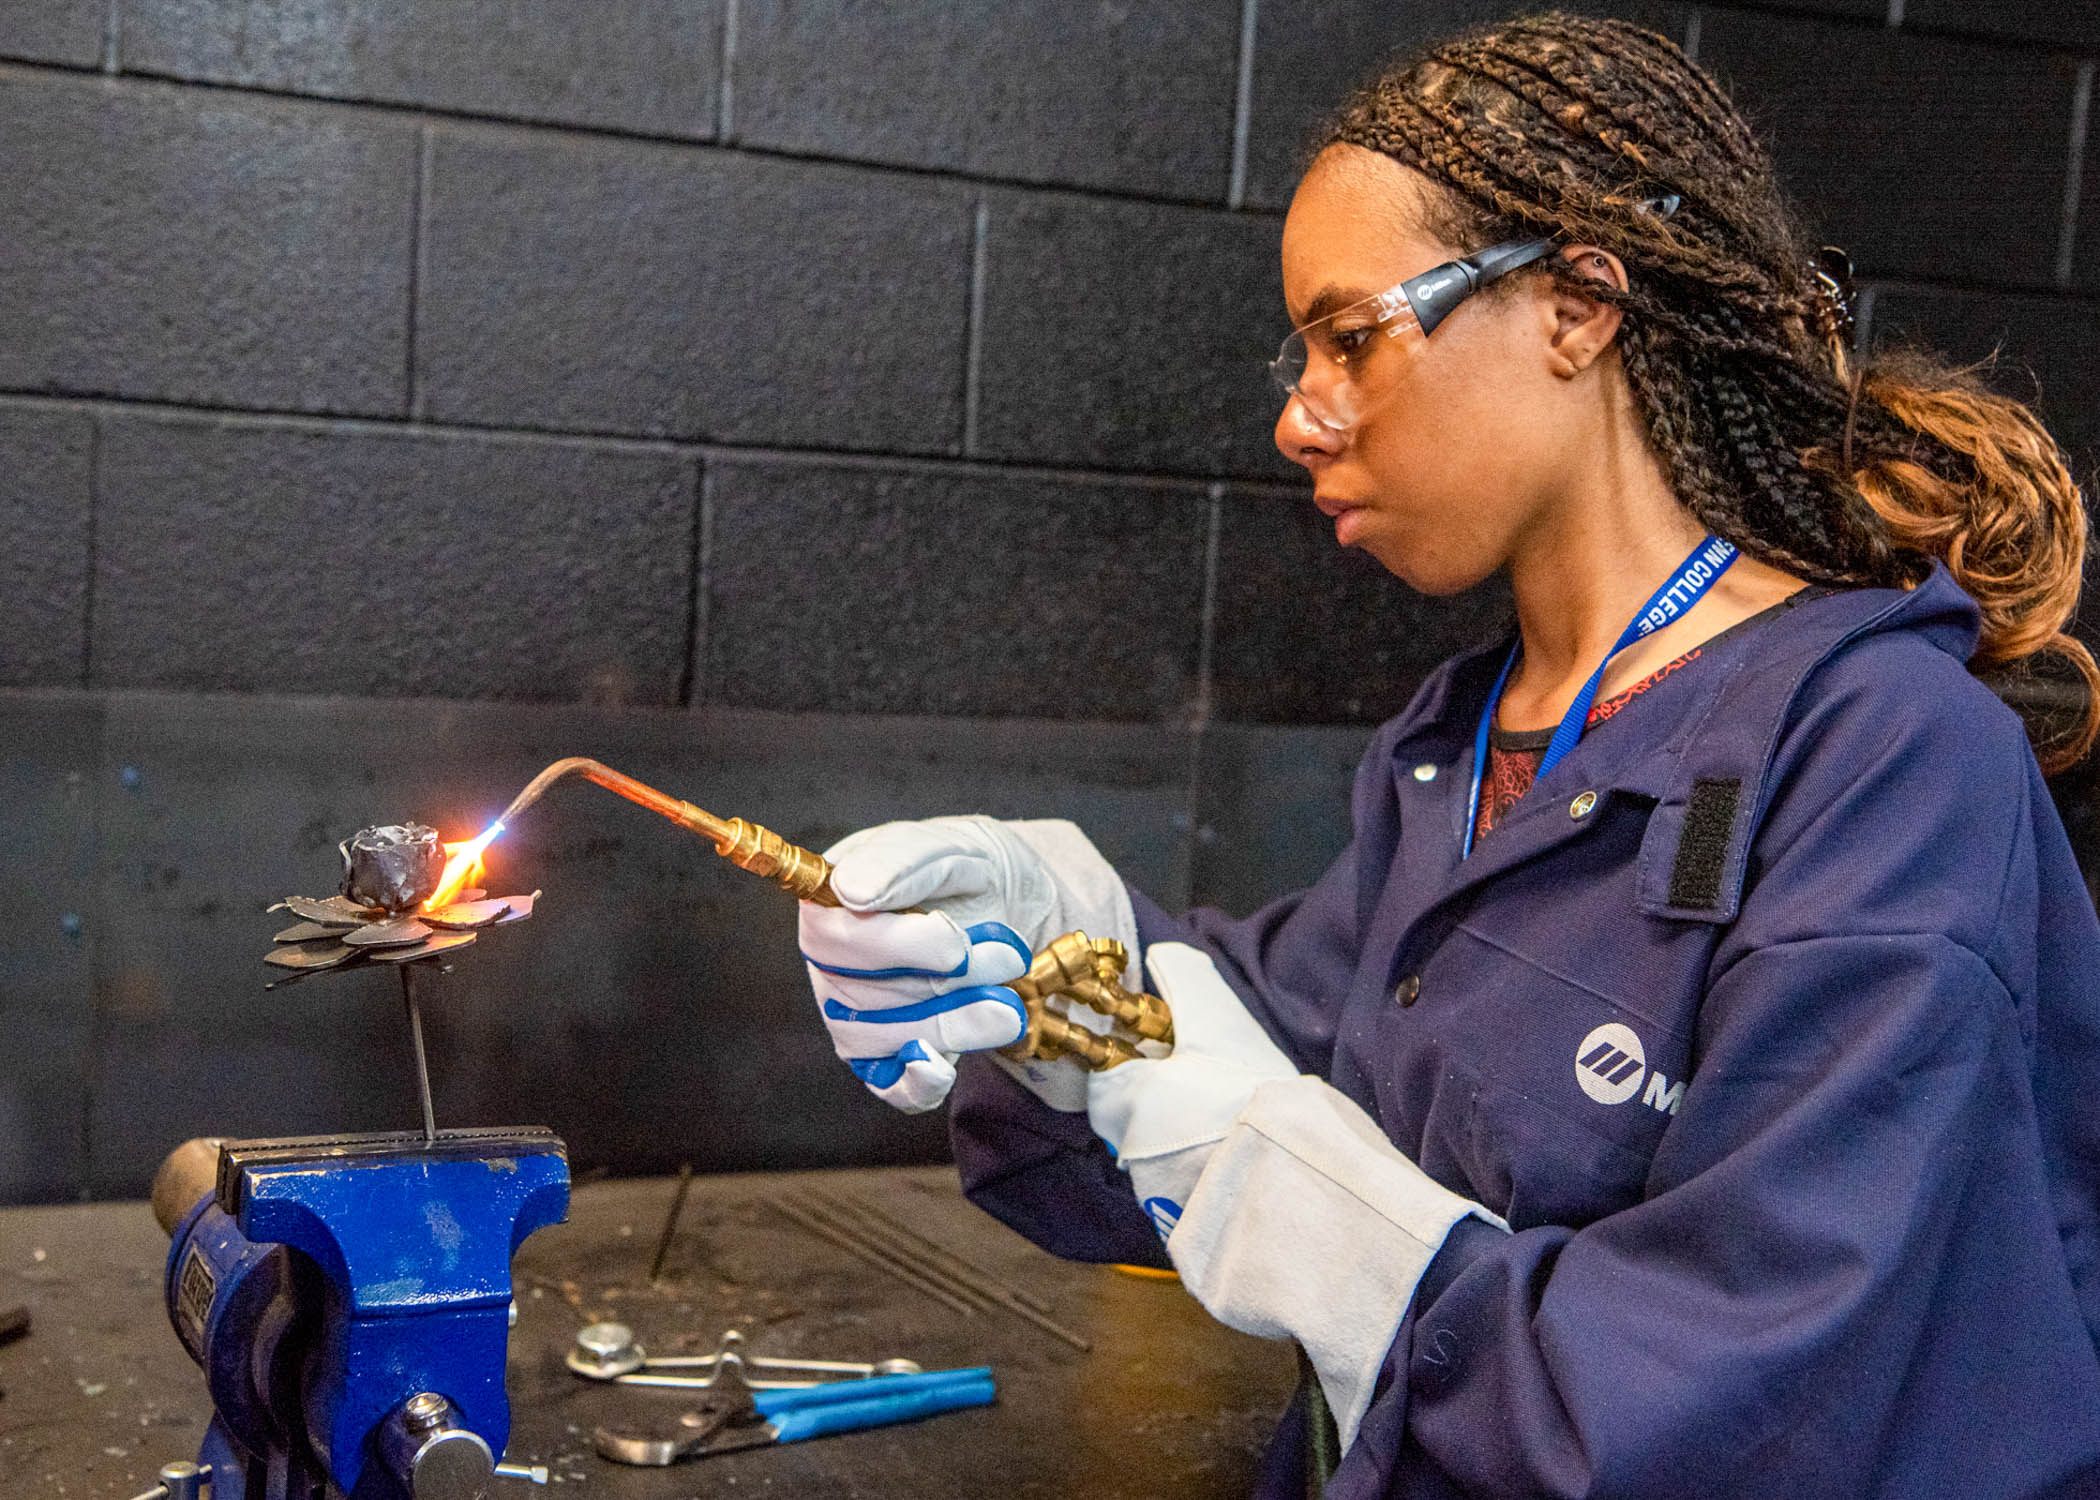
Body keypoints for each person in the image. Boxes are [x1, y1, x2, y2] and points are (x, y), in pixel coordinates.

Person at [797, 14, 2100, 1496]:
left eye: (1354, 337)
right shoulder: (1465, 747)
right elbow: (1295, 1046)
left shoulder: (1886, 761)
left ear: (1577, 306)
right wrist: (1052, 979)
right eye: (1301, 354)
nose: (1302, 416)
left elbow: (1743, 1401)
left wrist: (1301, 1203)